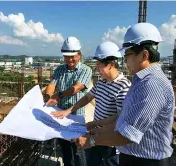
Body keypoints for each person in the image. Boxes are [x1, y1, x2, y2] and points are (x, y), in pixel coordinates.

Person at [76, 22, 175, 166]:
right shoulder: (141, 82)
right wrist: (92, 131)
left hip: (148, 161)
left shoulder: (152, 85)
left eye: (127, 55)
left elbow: (126, 134)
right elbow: (122, 121)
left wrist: (91, 140)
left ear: (144, 55)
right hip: (135, 157)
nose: (125, 60)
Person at [52, 41, 131, 166]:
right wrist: (68, 111)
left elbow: (119, 118)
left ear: (111, 64)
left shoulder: (123, 86)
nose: (97, 69)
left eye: (99, 66)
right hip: (95, 135)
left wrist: (94, 125)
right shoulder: (102, 81)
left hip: (110, 140)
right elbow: (87, 97)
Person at [44, 36, 92, 166]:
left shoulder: (86, 70)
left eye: (73, 56)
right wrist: (48, 96)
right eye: (67, 56)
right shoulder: (60, 69)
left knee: (78, 149)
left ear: (79, 55)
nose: (70, 59)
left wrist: (58, 96)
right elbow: (52, 85)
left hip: (76, 115)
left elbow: (76, 88)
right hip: (60, 115)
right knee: (65, 149)